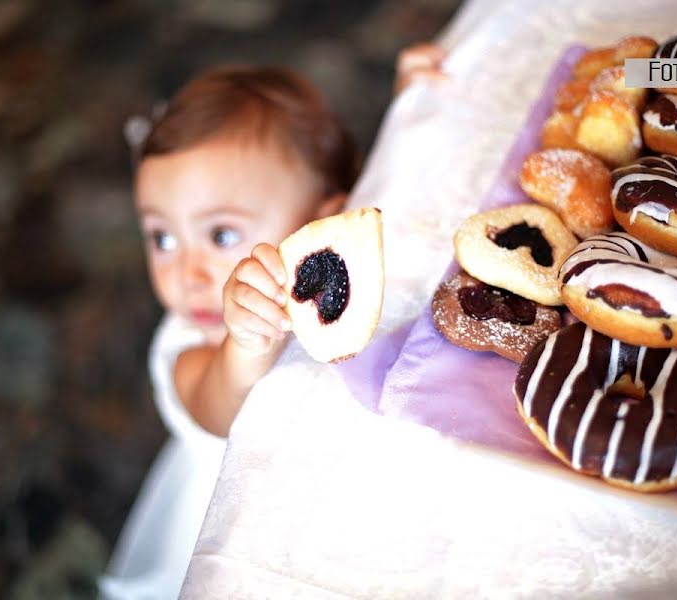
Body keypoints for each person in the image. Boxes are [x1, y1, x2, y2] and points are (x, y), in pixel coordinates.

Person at [101, 43, 446, 599]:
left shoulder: (334, 263)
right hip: (251, 542)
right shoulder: (190, 347)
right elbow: (214, 405)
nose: (189, 271)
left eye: (220, 235)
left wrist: (413, 107)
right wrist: (242, 344)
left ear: (321, 220)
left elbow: (385, 195)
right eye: (161, 237)